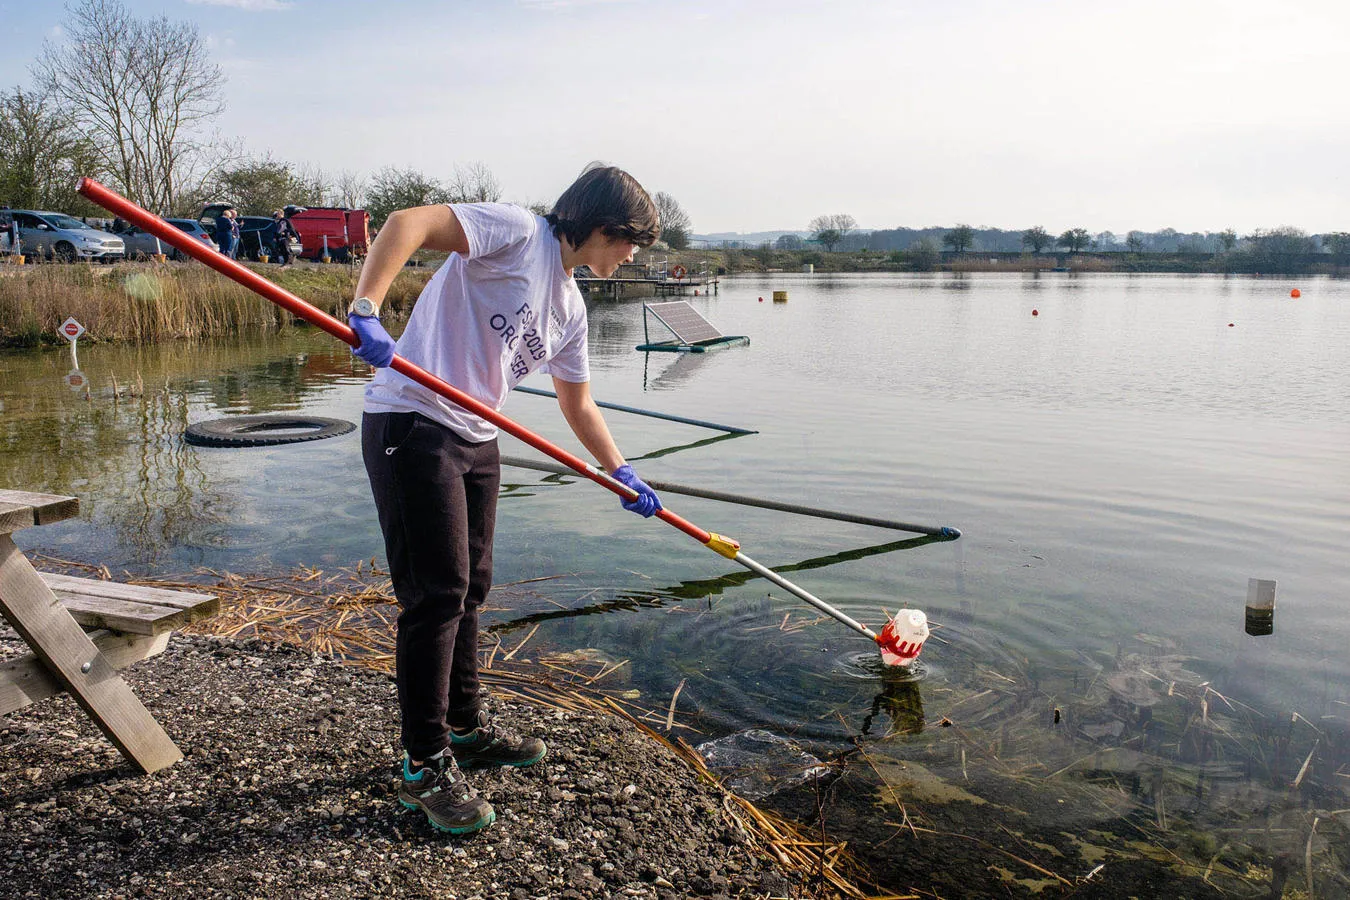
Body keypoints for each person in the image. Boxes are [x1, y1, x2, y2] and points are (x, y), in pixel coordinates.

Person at [348, 164, 663, 836]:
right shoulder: (519, 233)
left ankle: (462, 729)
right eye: (631, 241)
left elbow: (577, 402)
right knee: (436, 593)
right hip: (413, 419)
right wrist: (367, 308)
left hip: (475, 434)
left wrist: (621, 470)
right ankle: (422, 762)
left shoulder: (573, 307)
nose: (633, 256)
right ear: (603, 226)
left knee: (471, 589)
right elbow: (410, 224)